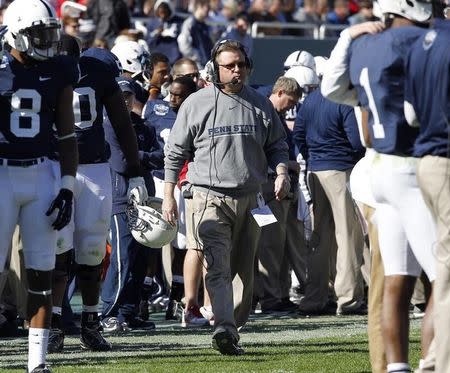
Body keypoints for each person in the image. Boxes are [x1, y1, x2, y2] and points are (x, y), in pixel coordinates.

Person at [320, 2, 437, 371]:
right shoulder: (416, 44)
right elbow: (417, 111)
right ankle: (429, 363)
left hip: (378, 172)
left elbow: (333, 87)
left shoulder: (366, 48)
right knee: (439, 281)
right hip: (412, 167)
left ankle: (397, 365)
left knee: (397, 282)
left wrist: (346, 37)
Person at [163, 39, 290, 355]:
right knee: (217, 265)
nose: (237, 71)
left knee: (244, 273)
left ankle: (231, 326)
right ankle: (224, 327)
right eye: (230, 66)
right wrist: (167, 196)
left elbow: (277, 145)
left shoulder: (261, 104)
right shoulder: (196, 103)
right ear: (213, 70)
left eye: (241, 65)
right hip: (209, 197)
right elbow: (175, 153)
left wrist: (283, 172)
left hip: (250, 199)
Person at [48, 38, 148, 353]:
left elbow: (122, 123)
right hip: (53, 167)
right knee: (58, 251)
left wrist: (134, 172)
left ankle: (91, 324)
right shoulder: (38, 72)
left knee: (91, 250)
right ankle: (54, 325)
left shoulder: (98, 72)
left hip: (93, 168)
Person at [0, 0, 79, 371]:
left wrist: (67, 185)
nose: (46, 41)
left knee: (42, 273)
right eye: (37, 34)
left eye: (50, 32)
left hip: (43, 173)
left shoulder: (60, 69)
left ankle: (37, 363)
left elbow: (66, 134)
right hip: (1, 173)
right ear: (15, 31)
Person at [293, 83, 366, 316]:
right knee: (347, 235)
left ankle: (315, 297)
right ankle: (347, 298)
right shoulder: (343, 100)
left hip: (315, 170)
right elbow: (356, 140)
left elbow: (299, 136)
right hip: (340, 168)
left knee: (318, 237)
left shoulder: (310, 102)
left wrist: (314, 157)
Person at [403, 13, 450, 373]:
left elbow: (411, 113)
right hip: (446, 158)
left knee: (443, 267)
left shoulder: (420, 44)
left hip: (426, 160)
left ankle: (434, 358)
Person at [101, 76, 164, 332]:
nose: (125, 100)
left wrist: (139, 157)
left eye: (128, 96)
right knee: (122, 256)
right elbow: (121, 164)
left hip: (144, 197)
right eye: (120, 95)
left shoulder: (143, 125)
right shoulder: (107, 125)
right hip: (120, 198)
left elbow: (161, 156)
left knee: (141, 258)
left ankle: (129, 311)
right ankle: (107, 312)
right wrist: (143, 158)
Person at [256, 76, 303, 314]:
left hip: (277, 188)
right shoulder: (265, 115)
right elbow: (263, 152)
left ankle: (280, 293)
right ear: (280, 92)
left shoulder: (275, 116)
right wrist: (288, 165)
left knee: (279, 245)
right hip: (268, 188)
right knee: (269, 244)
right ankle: (270, 298)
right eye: (290, 101)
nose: (291, 107)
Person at [177, 0, 213, 69]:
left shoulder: (205, 26)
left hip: (206, 65)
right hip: (195, 66)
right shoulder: (189, 24)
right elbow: (183, 44)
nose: (209, 10)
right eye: (207, 7)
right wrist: (197, 56)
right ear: (199, 7)